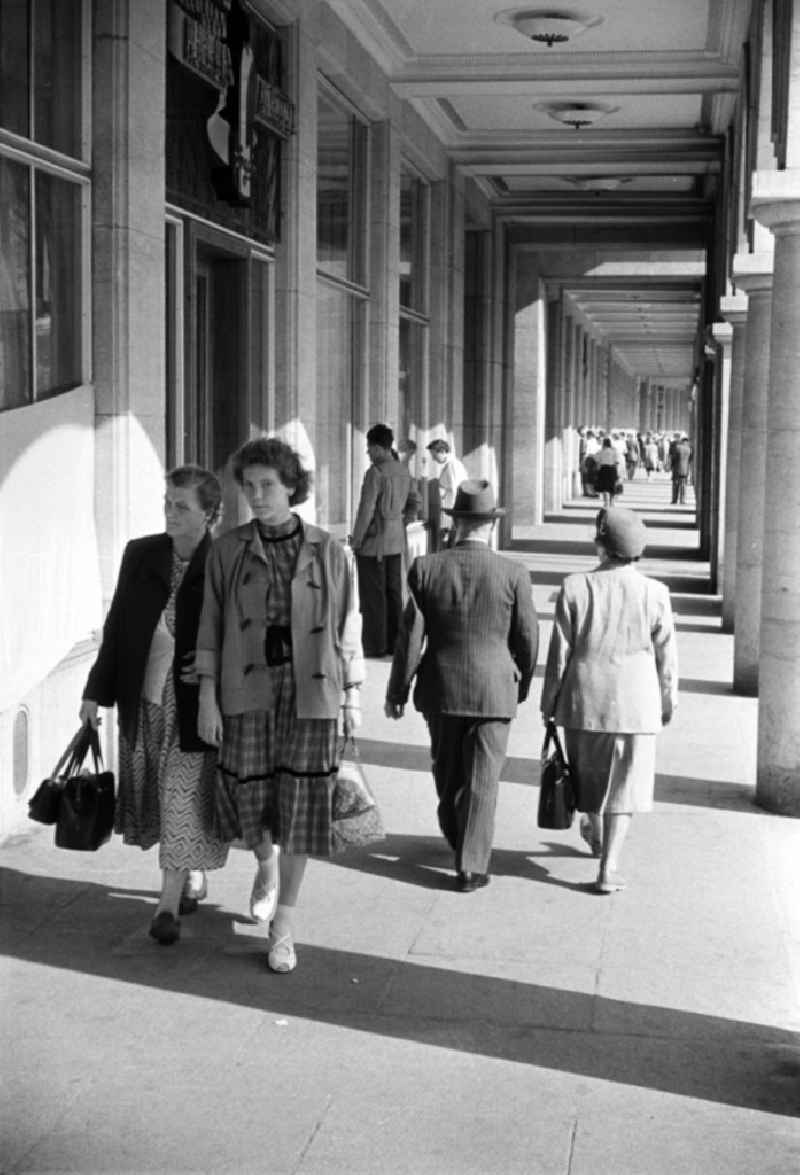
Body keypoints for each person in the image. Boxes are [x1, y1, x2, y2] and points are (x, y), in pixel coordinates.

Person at [195, 437, 363, 974]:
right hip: (246, 692)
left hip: (310, 691)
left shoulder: (329, 549)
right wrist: (206, 697)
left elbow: (346, 627)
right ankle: (264, 863)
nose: (257, 495)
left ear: (292, 486)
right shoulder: (227, 550)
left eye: (267, 485)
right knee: (251, 804)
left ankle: (284, 926)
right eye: (249, 487)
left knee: (302, 808)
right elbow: (210, 627)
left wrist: (353, 695)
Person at [80, 466, 229, 946]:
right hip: (143, 701)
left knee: (181, 795)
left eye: (181, 505)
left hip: (195, 706)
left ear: (210, 513)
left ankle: (166, 906)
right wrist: (93, 692)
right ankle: (188, 874)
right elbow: (118, 625)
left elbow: (243, 634)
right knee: (159, 799)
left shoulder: (226, 561)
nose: (170, 512)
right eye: (167, 502)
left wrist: (214, 673)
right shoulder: (141, 554)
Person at [385, 480, 539, 891]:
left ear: (456, 525)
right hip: (495, 690)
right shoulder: (514, 574)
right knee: (483, 780)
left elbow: (410, 638)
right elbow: (527, 639)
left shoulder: (427, 568)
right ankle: (471, 862)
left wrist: (397, 691)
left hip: (441, 687)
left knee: (447, 770)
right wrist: (519, 683)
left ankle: (460, 840)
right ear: (490, 526)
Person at [540, 507, 678, 893]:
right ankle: (608, 868)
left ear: (601, 547)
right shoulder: (656, 593)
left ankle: (593, 825)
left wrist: (548, 702)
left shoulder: (574, 586)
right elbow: (667, 654)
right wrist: (669, 699)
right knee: (626, 785)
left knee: (585, 775)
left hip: (584, 698)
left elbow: (559, 653)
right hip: (636, 701)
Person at [350, 423, 418, 657]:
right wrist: (401, 522)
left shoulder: (375, 473)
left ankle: (375, 646)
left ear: (379, 447)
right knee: (393, 594)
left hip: (373, 545)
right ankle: (394, 643)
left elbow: (366, 511)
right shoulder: (403, 470)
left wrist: (356, 540)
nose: (368, 453)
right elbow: (414, 502)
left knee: (373, 597)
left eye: (369, 447)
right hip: (396, 543)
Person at [426, 438, 469, 548]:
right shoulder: (452, 464)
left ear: (442, 452)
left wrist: (451, 519)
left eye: (434, 455)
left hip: (453, 513)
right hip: (452, 512)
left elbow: (456, 491)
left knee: (451, 545)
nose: (433, 459)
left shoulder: (452, 465)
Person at [594, 437, 621, 507]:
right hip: (612, 469)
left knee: (605, 487)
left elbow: (596, 460)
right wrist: (617, 473)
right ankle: (612, 502)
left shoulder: (601, 451)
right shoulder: (614, 451)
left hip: (604, 469)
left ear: (604, 444)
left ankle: (606, 502)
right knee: (612, 486)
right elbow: (617, 462)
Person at [673, 434, 693, 503]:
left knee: (676, 484)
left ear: (681, 441)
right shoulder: (689, 449)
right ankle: (682, 500)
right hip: (685, 470)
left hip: (677, 469)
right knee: (683, 485)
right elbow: (690, 459)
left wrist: (672, 466)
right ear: (687, 441)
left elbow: (674, 458)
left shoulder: (677, 447)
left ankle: (674, 499)